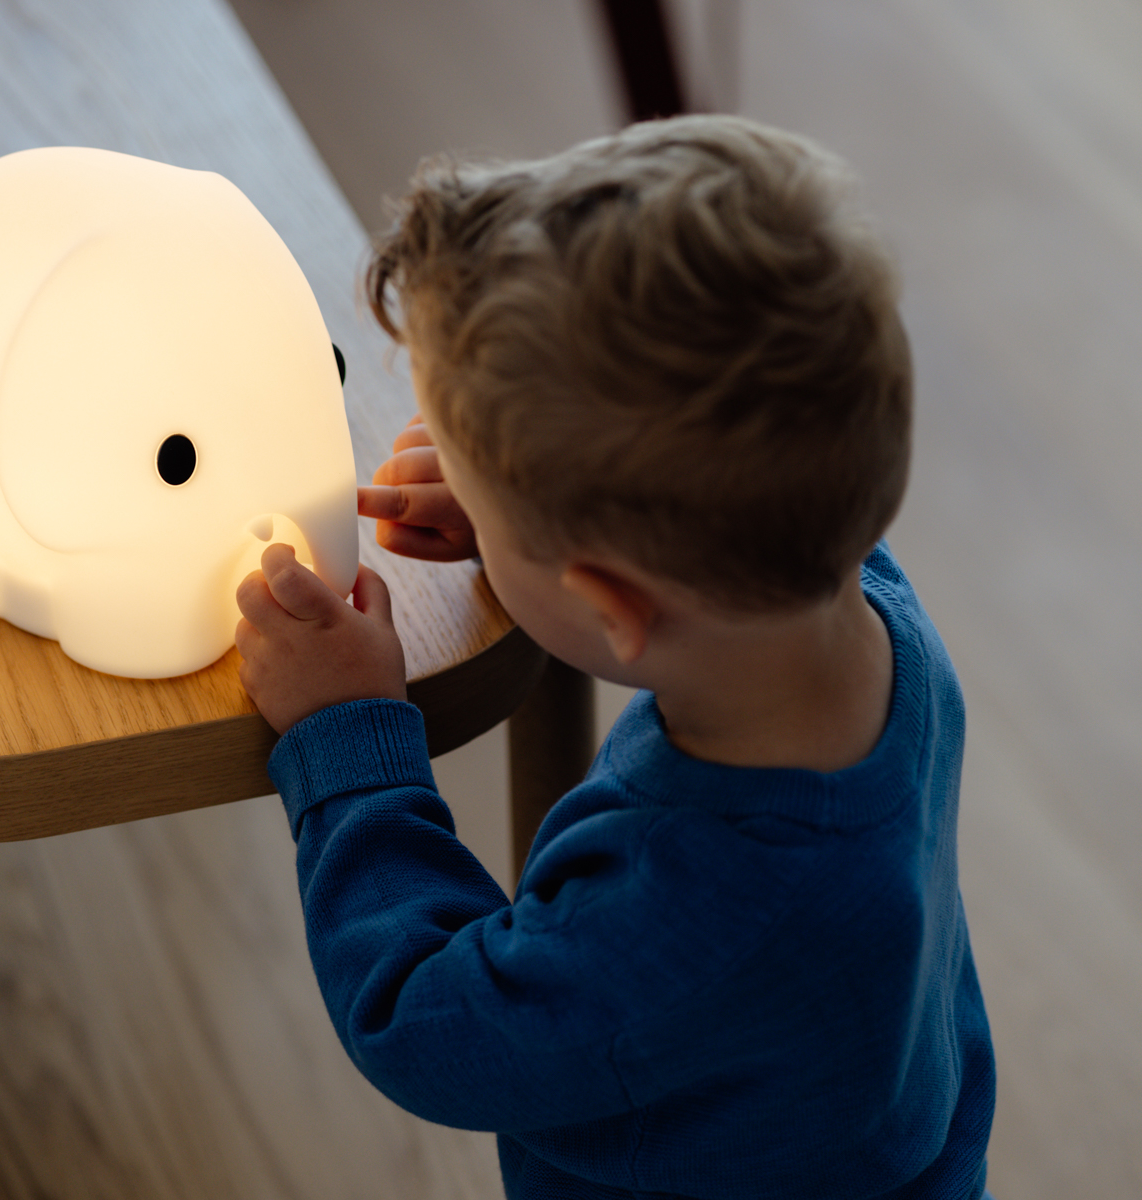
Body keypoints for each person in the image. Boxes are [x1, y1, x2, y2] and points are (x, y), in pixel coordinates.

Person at [234, 114, 995, 1200]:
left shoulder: (687, 909)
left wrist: (345, 738)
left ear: (608, 600)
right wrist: (526, 525)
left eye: (482, 493)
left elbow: (419, 1020)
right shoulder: (862, 609)